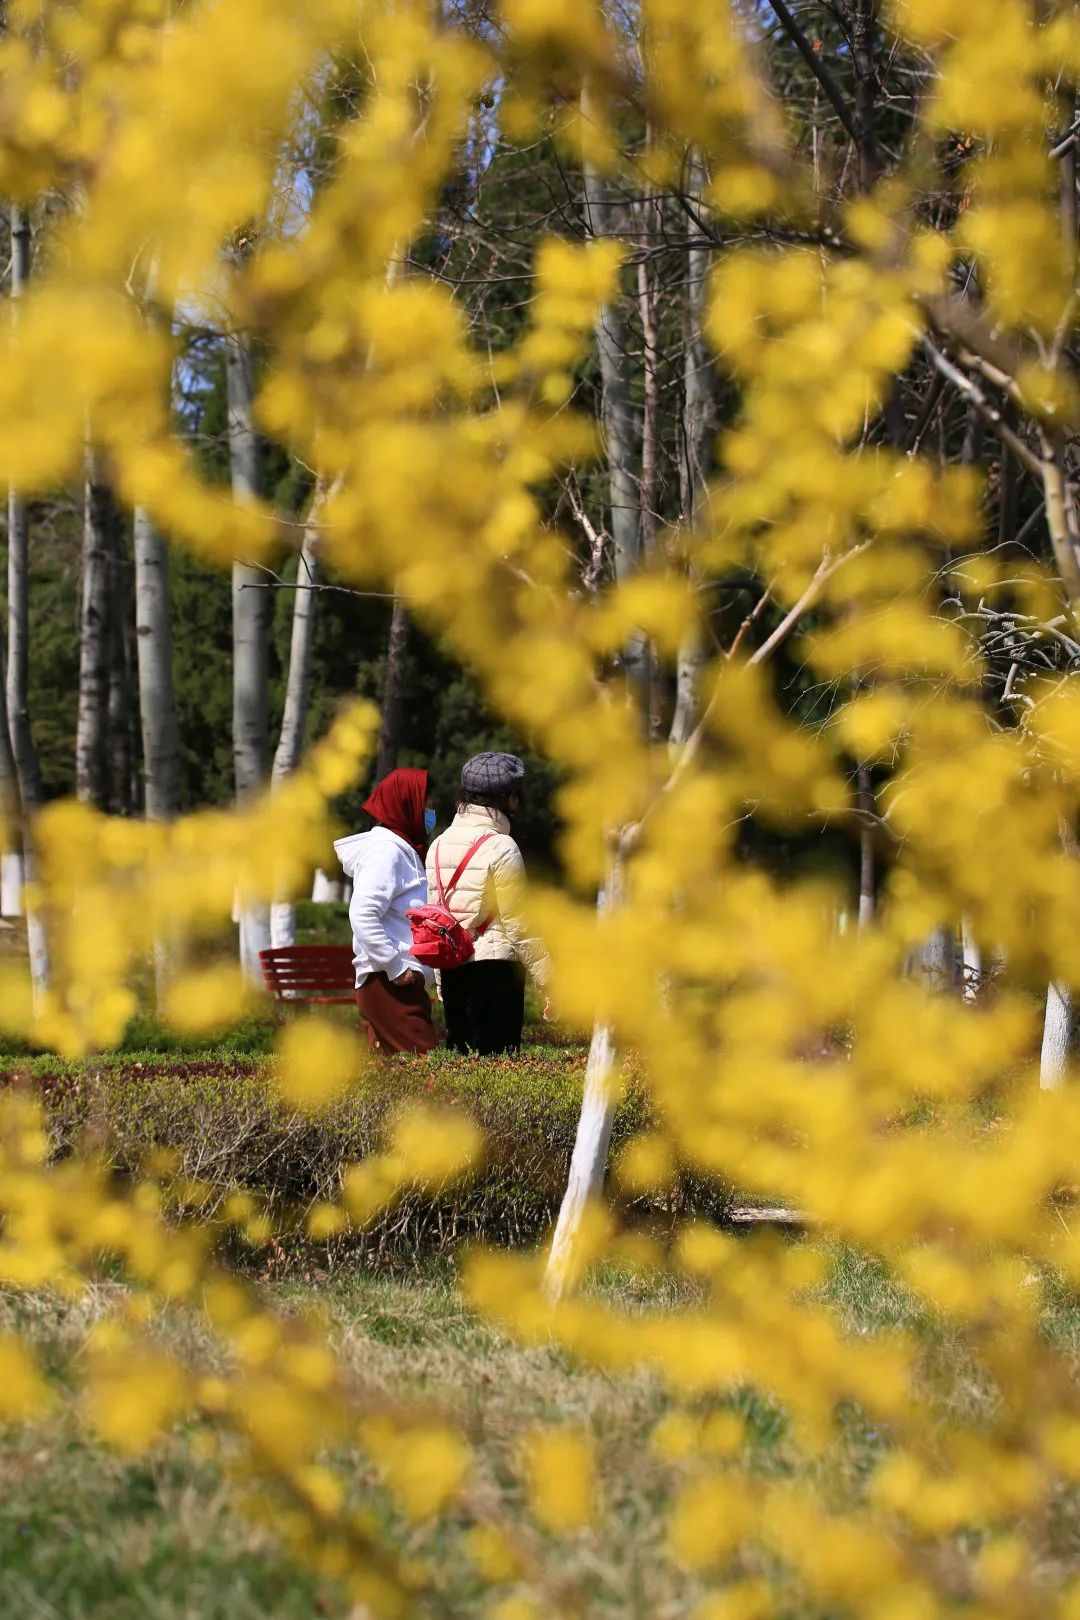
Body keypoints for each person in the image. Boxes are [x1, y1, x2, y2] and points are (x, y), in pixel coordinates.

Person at [426, 751, 549, 1055]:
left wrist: (441, 980)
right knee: (498, 1063)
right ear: (508, 798)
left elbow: (436, 922)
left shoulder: (438, 844)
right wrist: (548, 979)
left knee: (461, 1070)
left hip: (453, 969)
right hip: (496, 972)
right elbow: (518, 924)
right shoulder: (502, 846)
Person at [334, 766, 439, 1055]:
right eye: (427, 805)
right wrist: (395, 967)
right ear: (407, 805)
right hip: (389, 983)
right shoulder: (386, 852)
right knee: (427, 1072)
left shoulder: (405, 850)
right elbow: (363, 913)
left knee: (393, 1076)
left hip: (398, 983)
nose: (430, 813)